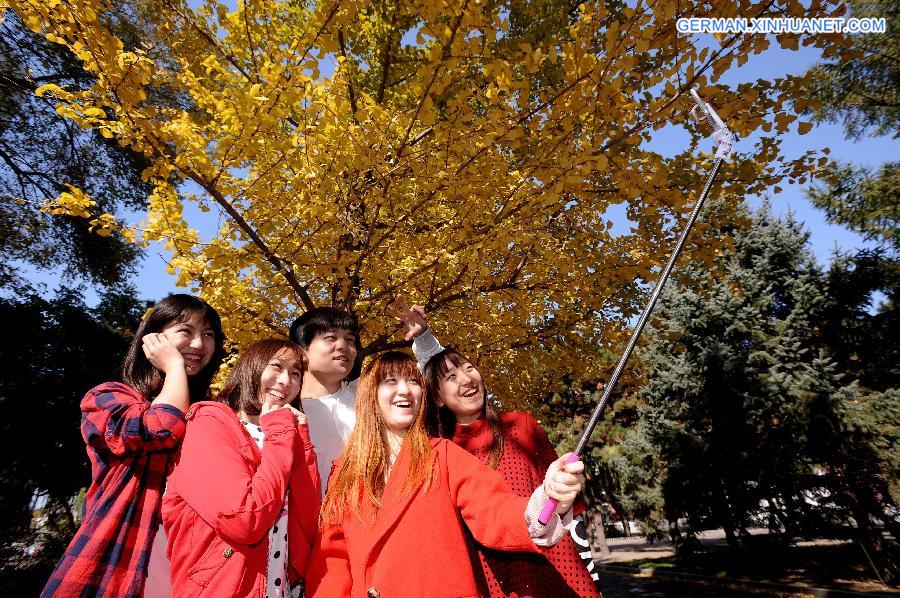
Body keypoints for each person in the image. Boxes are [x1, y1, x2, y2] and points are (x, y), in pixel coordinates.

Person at [306, 351, 585, 597]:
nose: (405, 390)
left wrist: (548, 500)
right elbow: (332, 559)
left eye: (413, 381)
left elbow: (495, 509)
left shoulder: (442, 454)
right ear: (369, 395)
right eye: (391, 381)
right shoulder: (345, 470)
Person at [42, 294, 225, 598]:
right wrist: (175, 367)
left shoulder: (210, 412)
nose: (198, 344)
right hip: (120, 558)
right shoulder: (108, 398)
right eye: (185, 331)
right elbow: (160, 428)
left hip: (189, 565)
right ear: (154, 338)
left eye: (208, 335)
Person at [424, 347, 603, 597]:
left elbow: (569, 511)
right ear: (438, 398)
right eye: (451, 377)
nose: (467, 379)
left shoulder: (521, 425)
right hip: (489, 574)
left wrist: (566, 486)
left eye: (468, 368)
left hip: (554, 563)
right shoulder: (440, 453)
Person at [162, 339, 321, 597]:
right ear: (251, 368)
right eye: (277, 367)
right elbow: (245, 520)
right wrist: (280, 433)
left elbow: (309, 525)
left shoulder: (280, 433)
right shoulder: (209, 423)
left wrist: (301, 441)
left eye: (295, 374)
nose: (286, 380)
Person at [288, 299, 443, 491]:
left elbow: (435, 371)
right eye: (330, 338)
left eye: (350, 340)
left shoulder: (366, 392)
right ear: (302, 351)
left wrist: (422, 336)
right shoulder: (284, 411)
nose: (343, 346)